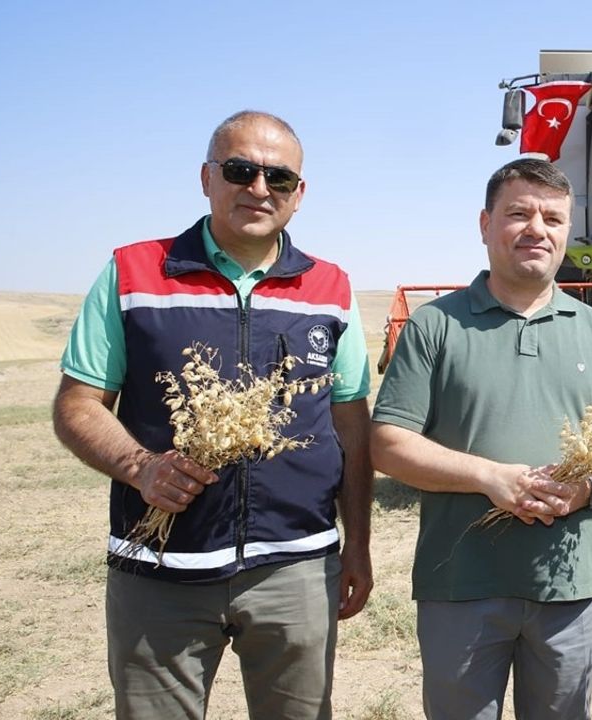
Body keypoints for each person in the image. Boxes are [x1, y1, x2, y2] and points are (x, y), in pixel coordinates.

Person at [52, 110, 373, 720]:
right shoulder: (133, 272)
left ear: (299, 195)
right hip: (160, 573)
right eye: (239, 170)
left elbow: (350, 422)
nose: (259, 188)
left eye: (278, 178)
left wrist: (356, 543)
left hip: (298, 568)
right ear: (207, 178)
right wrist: (140, 465)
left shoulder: (331, 287)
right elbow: (77, 403)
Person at [370, 158, 592, 720]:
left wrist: (588, 489)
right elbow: (388, 443)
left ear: (568, 231)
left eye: (552, 217)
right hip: (461, 583)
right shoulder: (436, 325)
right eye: (518, 213)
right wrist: (488, 477)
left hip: (569, 587)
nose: (536, 229)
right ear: (485, 223)